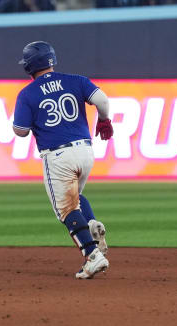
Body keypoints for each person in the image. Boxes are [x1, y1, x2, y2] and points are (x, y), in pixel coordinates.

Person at [13, 41, 113, 279]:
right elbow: (103, 100)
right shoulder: (76, 80)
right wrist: (104, 120)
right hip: (86, 150)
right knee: (75, 196)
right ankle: (91, 224)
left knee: (66, 210)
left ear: (29, 66)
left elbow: (20, 130)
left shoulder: (28, 93)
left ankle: (92, 256)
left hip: (57, 155)